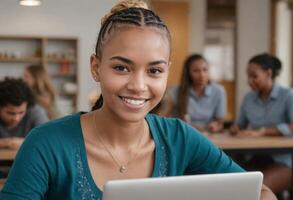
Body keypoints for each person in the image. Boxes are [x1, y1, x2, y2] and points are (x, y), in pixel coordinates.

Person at [0, 1, 276, 199]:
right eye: (121, 68)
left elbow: (260, 192)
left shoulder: (179, 138)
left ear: (167, 71)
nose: (138, 86)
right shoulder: (45, 144)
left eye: (154, 70)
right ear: (96, 67)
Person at [230, 53, 293, 194]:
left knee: (253, 191)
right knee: (233, 186)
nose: (250, 81)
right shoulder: (248, 98)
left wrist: (263, 132)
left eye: (254, 76)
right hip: (255, 157)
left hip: (284, 161)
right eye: (248, 76)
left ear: (268, 73)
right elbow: (240, 123)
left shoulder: (288, 95)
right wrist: (236, 128)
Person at [163, 54, 226, 133]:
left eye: (205, 70)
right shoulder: (175, 91)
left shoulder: (218, 91)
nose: (202, 75)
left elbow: (220, 123)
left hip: (209, 135)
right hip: (184, 135)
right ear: (188, 73)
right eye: (196, 71)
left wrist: (216, 126)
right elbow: (164, 118)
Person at [0, 77, 49, 150]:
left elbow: (47, 139)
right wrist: (8, 143)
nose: (16, 118)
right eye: (10, 113)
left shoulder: (35, 111)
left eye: (21, 112)